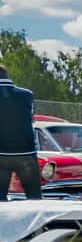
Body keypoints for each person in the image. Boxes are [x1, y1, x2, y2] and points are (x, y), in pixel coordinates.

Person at [0, 63, 42, 200]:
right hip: (26, 153)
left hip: (1, 155)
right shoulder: (27, 94)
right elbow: (31, 118)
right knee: (34, 197)